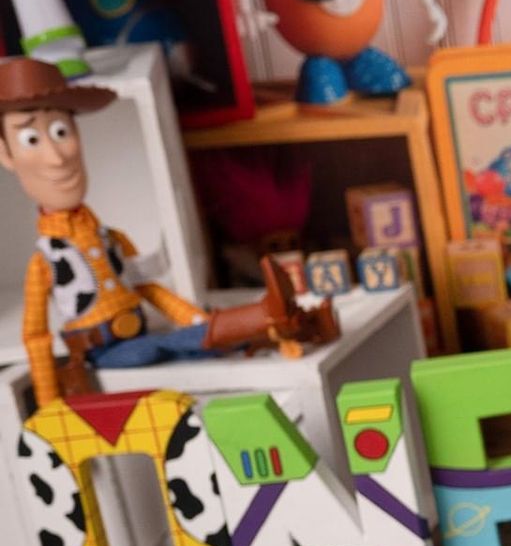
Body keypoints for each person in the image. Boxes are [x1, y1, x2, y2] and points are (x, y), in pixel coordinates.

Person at [2, 57, 333, 407]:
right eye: (30, 138)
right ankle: (264, 317)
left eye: (61, 131)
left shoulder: (108, 236)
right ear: (6, 155)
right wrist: (50, 404)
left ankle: (276, 330)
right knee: (167, 345)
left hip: (139, 333)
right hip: (106, 351)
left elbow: (148, 288)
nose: (56, 157)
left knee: (196, 351)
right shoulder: (47, 260)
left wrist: (195, 318)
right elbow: (36, 336)